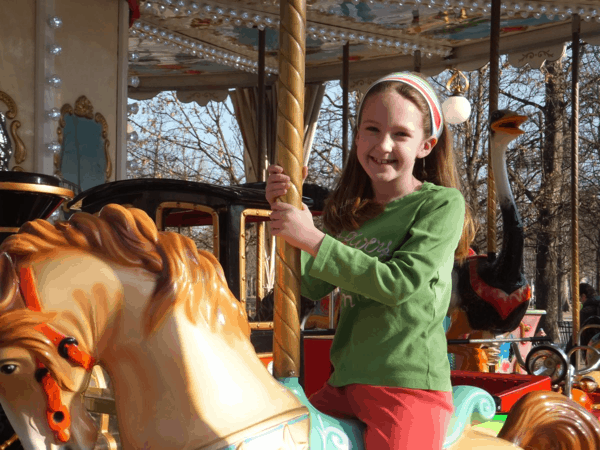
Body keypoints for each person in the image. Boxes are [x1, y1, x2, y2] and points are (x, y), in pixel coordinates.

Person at [266, 72, 473, 449]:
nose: (383, 144)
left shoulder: (440, 204)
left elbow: (398, 285)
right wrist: (289, 209)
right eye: (372, 129)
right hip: (343, 382)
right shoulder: (351, 212)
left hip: (407, 387)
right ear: (358, 136)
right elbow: (310, 286)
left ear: (425, 146)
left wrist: (313, 238)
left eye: (401, 134)